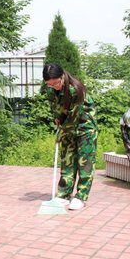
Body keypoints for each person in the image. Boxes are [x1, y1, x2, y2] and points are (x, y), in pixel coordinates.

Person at [43, 63, 98, 210]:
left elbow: (74, 117)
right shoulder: (50, 90)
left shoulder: (75, 89)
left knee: (85, 163)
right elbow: (56, 109)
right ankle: (64, 194)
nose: (54, 86)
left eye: (57, 83)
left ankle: (81, 196)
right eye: (50, 84)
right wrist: (57, 119)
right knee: (67, 161)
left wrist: (61, 133)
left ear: (62, 77)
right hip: (67, 126)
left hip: (84, 127)